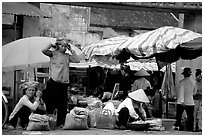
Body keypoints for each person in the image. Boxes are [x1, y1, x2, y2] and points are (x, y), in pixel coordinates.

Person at [41, 37, 80, 127]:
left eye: (66, 46)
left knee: (62, 103)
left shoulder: (67, 56)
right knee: (51, 102)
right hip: (54, 82)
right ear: (58, 46)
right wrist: (51, 45)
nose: (64, 48)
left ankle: (61, 122)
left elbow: (77, 60)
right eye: (62, 45)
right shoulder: (53, 54)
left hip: (64, 83)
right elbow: (43, 50)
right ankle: (49, 120)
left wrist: (71, 50)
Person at [174, 67, 197, 131]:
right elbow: (194, 92)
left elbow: (181, 91)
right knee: (190, 117)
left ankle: (178, 127)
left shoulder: (182, 82)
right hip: (190, 101)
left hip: (181, 102)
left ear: (184, 74)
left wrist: (182, 101)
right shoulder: (194, 82)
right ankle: (190, 129)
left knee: (179, 116)